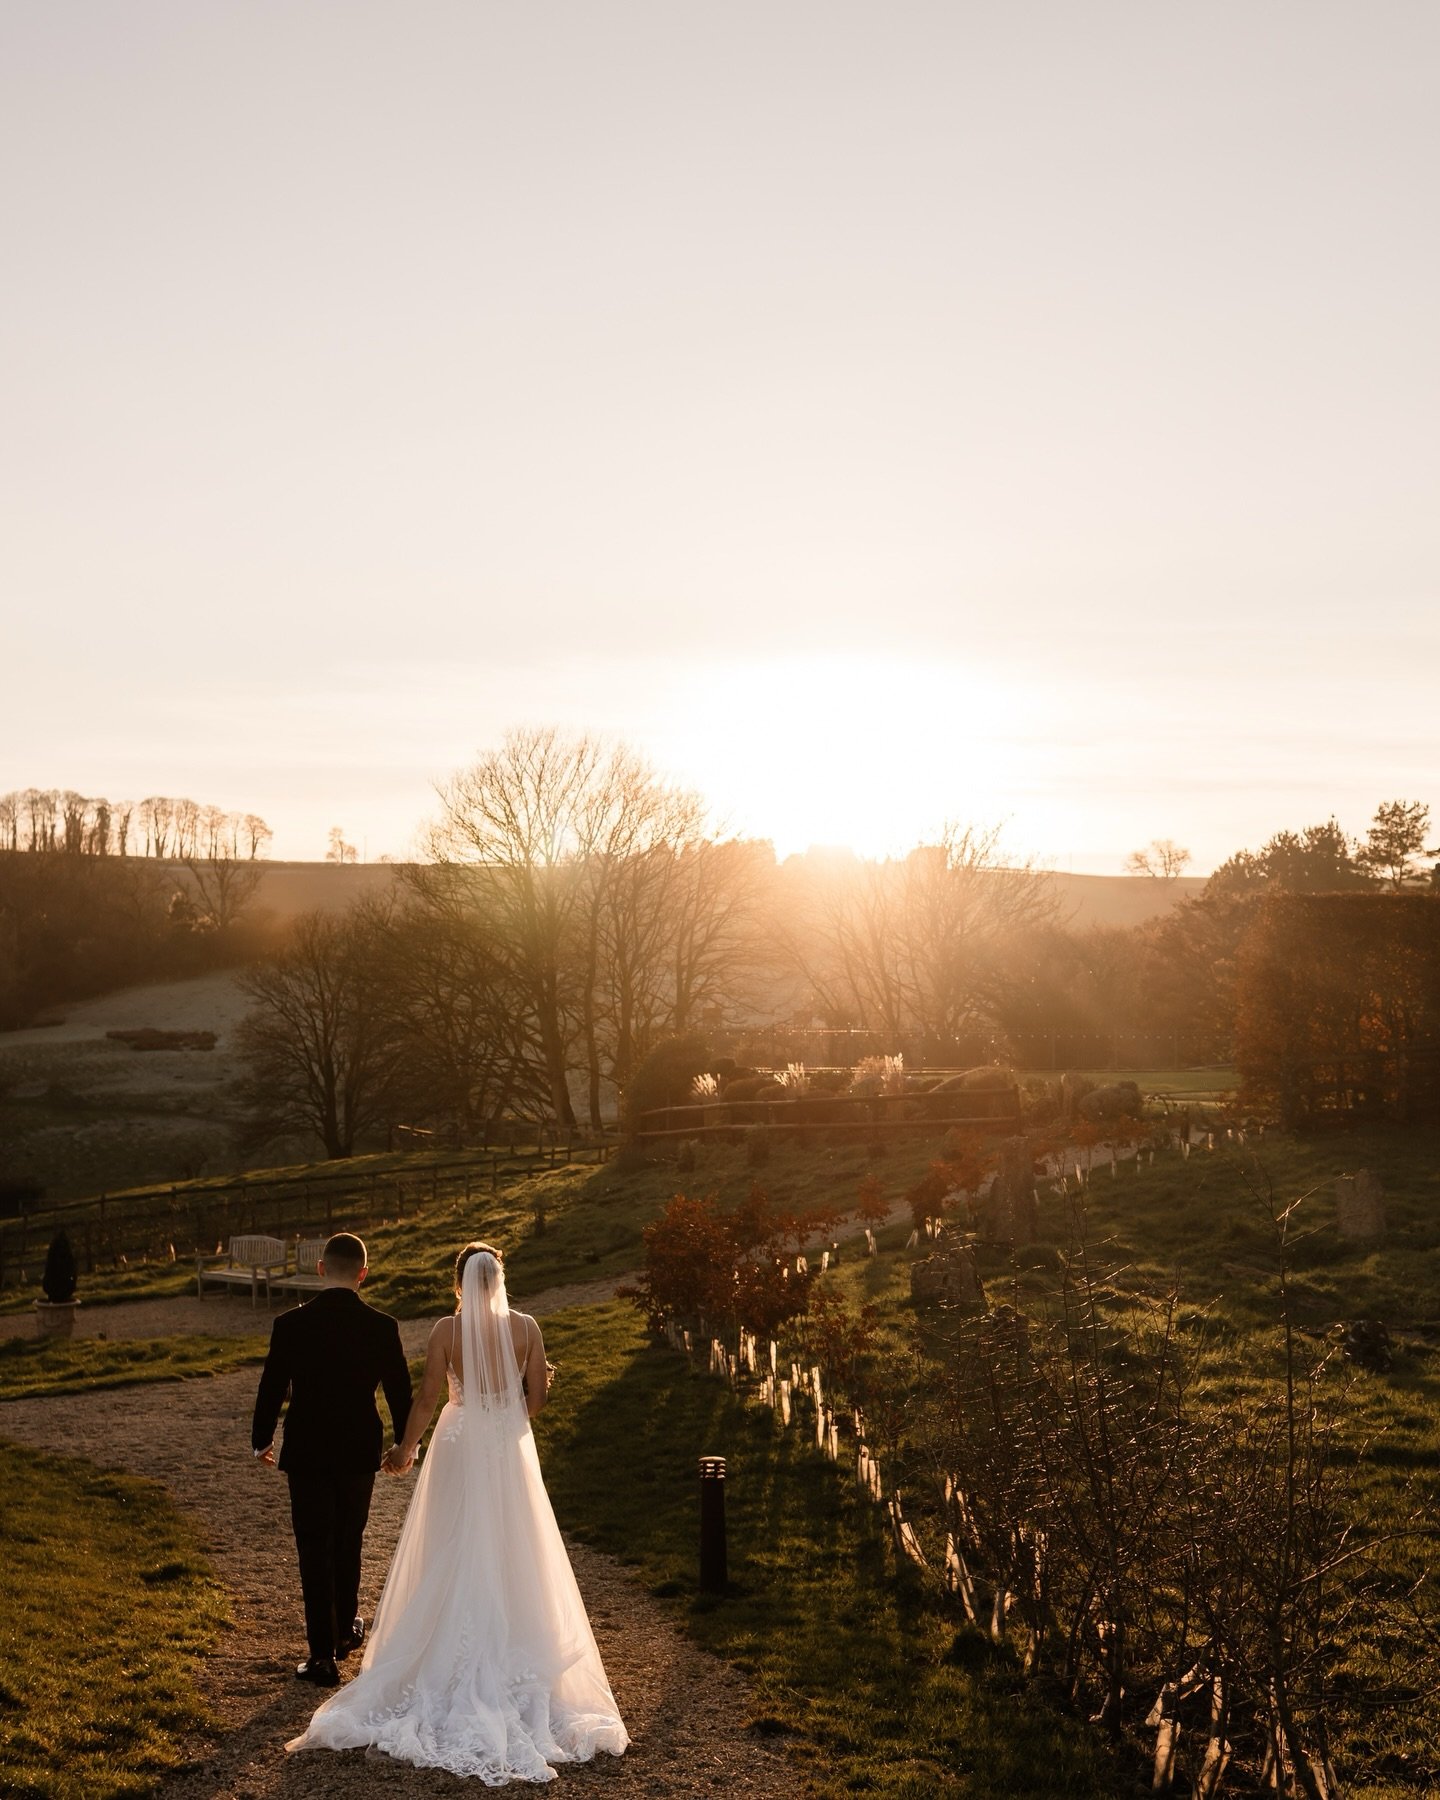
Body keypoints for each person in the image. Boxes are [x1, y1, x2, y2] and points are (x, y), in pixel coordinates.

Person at [287, 1241, 629, 1784]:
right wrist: (527, 1395)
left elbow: (426, 1398)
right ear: (499, 1280)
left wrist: (403, 1450)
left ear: (459, 1283)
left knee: (451, 1541)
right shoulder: (528, 1328)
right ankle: (517, 1645)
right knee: (514, 1543)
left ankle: (441, 1650)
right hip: (506, 1444)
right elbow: (534, 1401)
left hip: (460, 1437)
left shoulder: (447, 1331)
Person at [251, 1231, 412, 1689]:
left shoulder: (290, 1324)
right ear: (363, 1274)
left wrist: (262, 1438)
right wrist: (405, 1443)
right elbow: (399, 1391)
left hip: (306, 1448)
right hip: (360, 1448)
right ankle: (344, 1631)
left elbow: (272, 1385)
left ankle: (323, 1654)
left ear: (320, 1269)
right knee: (349, 1537)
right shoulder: (382, 1326)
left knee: (313, 1546)